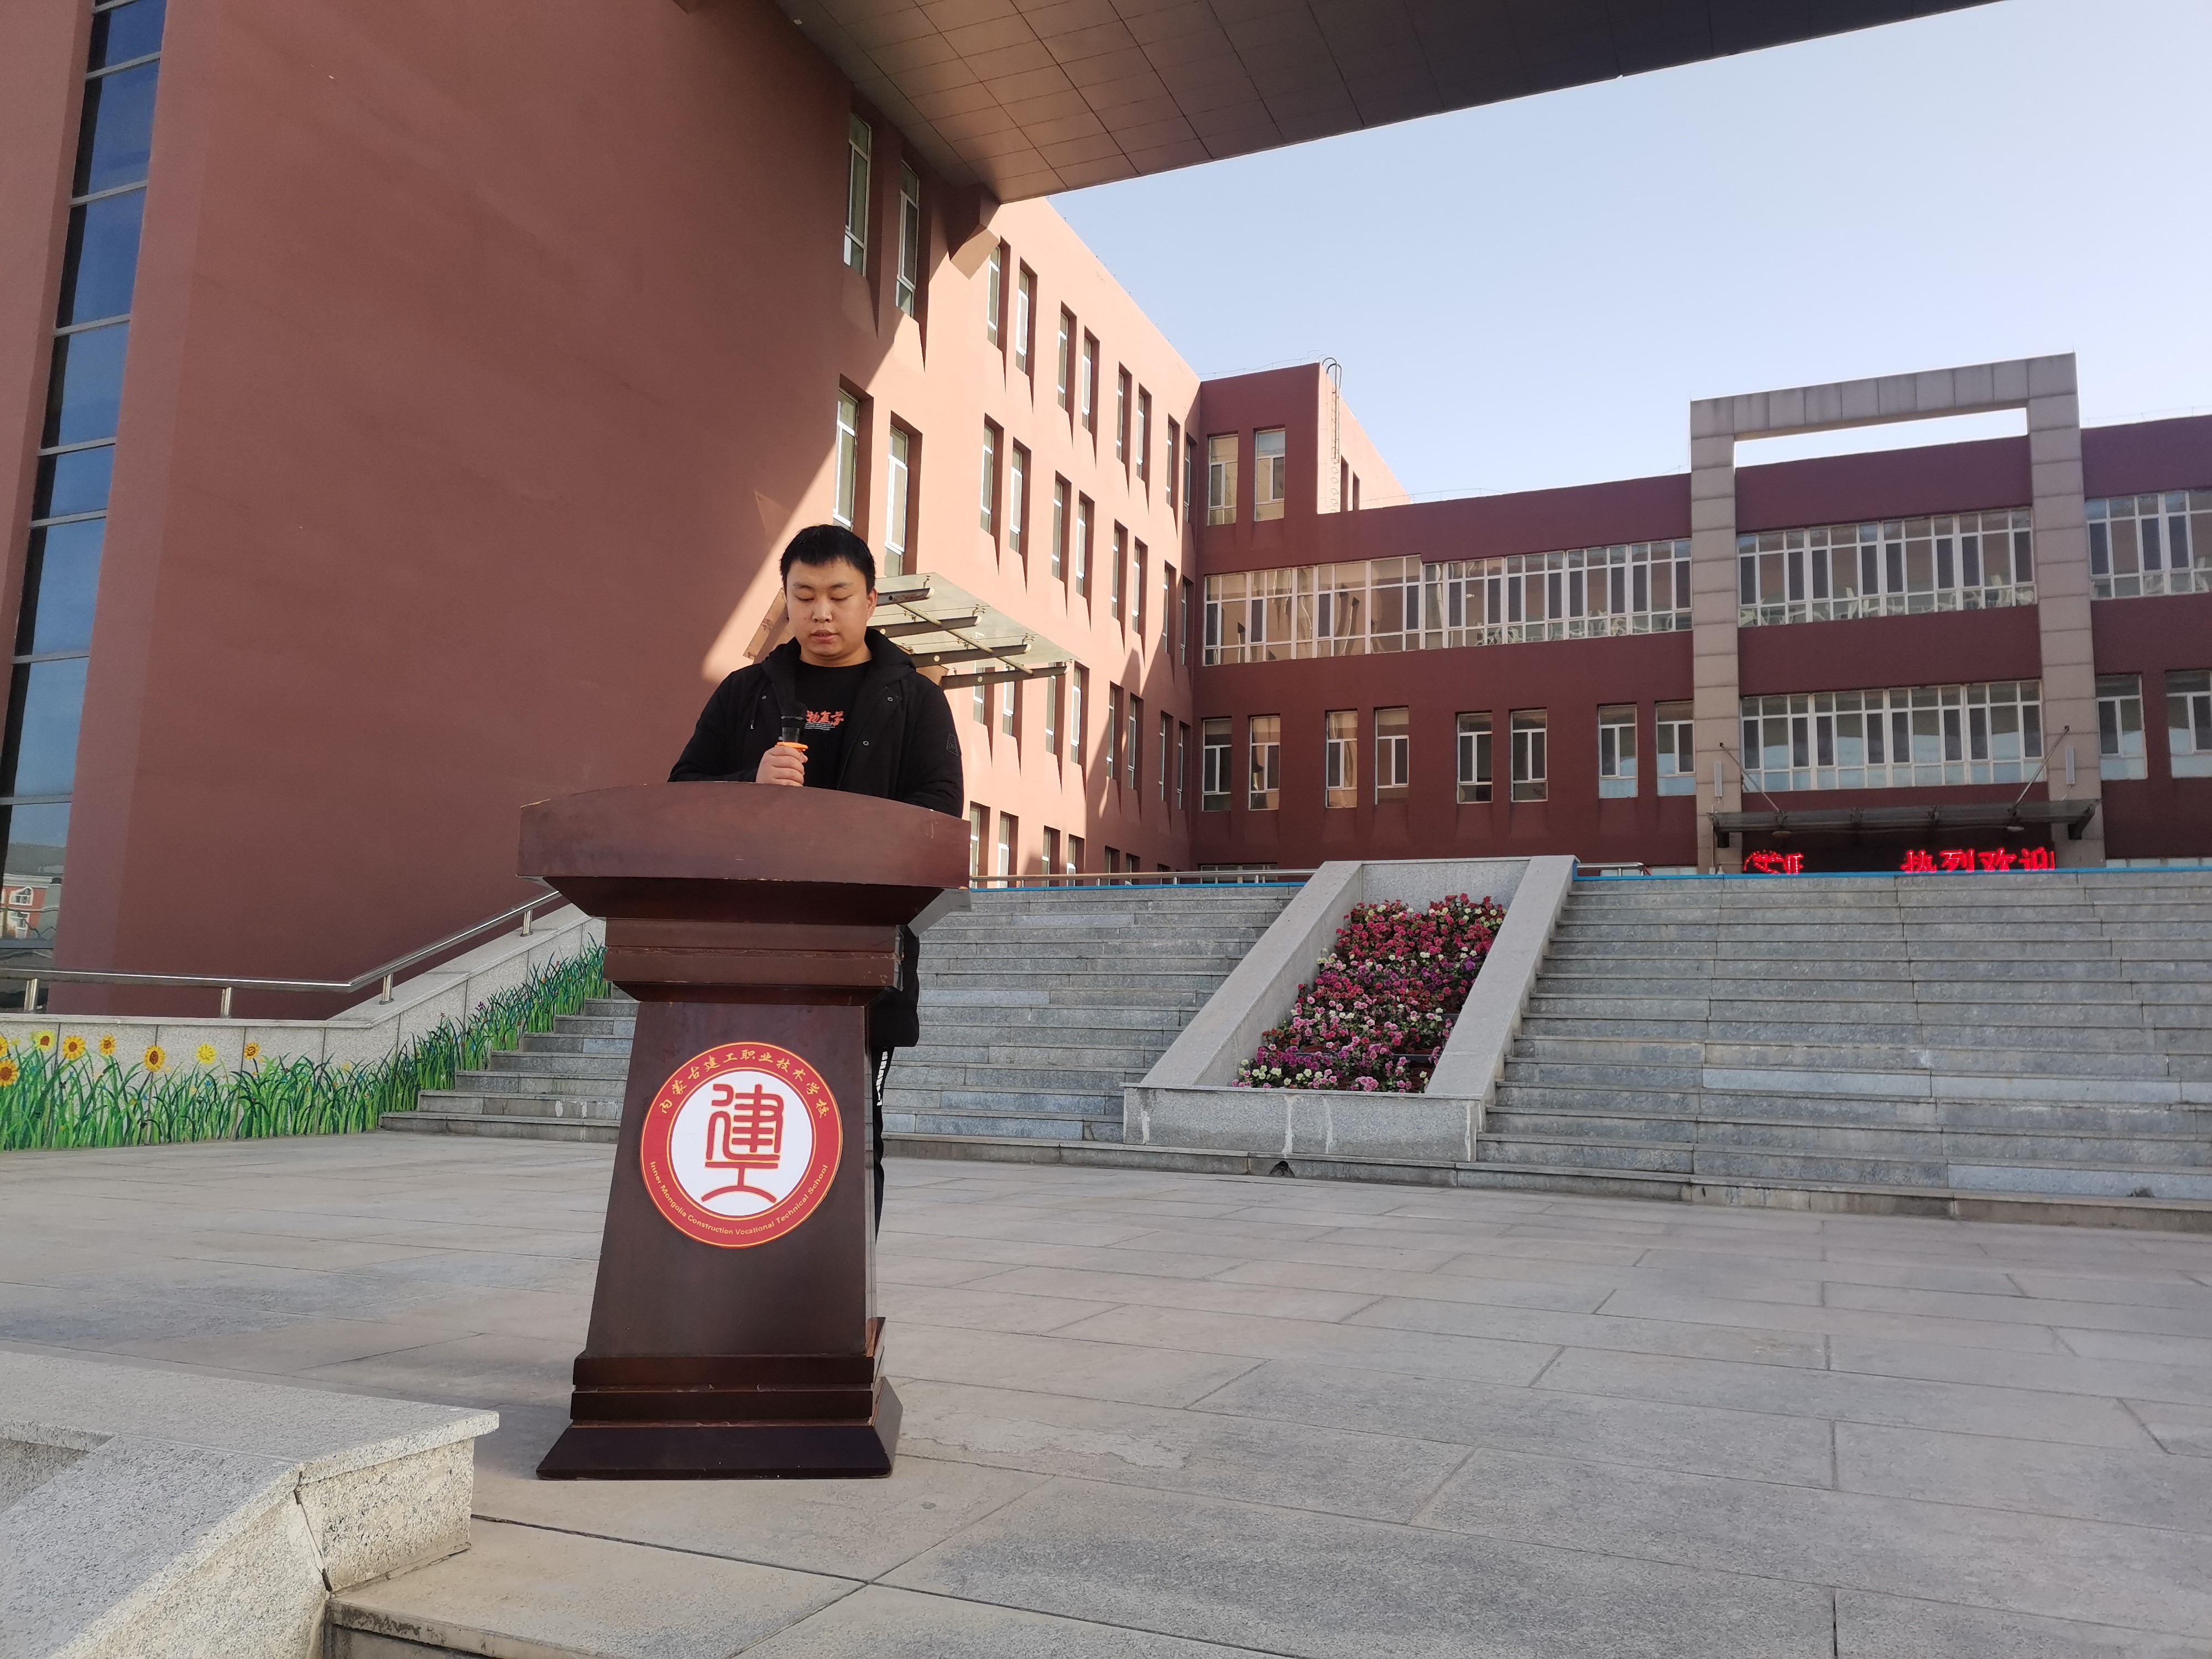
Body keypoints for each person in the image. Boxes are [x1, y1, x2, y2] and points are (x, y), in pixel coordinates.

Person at [671, 524, 963, 1227]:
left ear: (870, 601)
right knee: (752, 1114)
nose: (821, 613)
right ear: (786, 600)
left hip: (863, 952)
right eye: (803, 596)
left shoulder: (915, 700)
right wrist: (749, 782)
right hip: (748, 951)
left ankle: (841, 1283)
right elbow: (681, 797)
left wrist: (848, 828)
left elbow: (939, 811)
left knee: (854, 1133)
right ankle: (744, 1258)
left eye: (838, 595)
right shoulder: (744, 694)